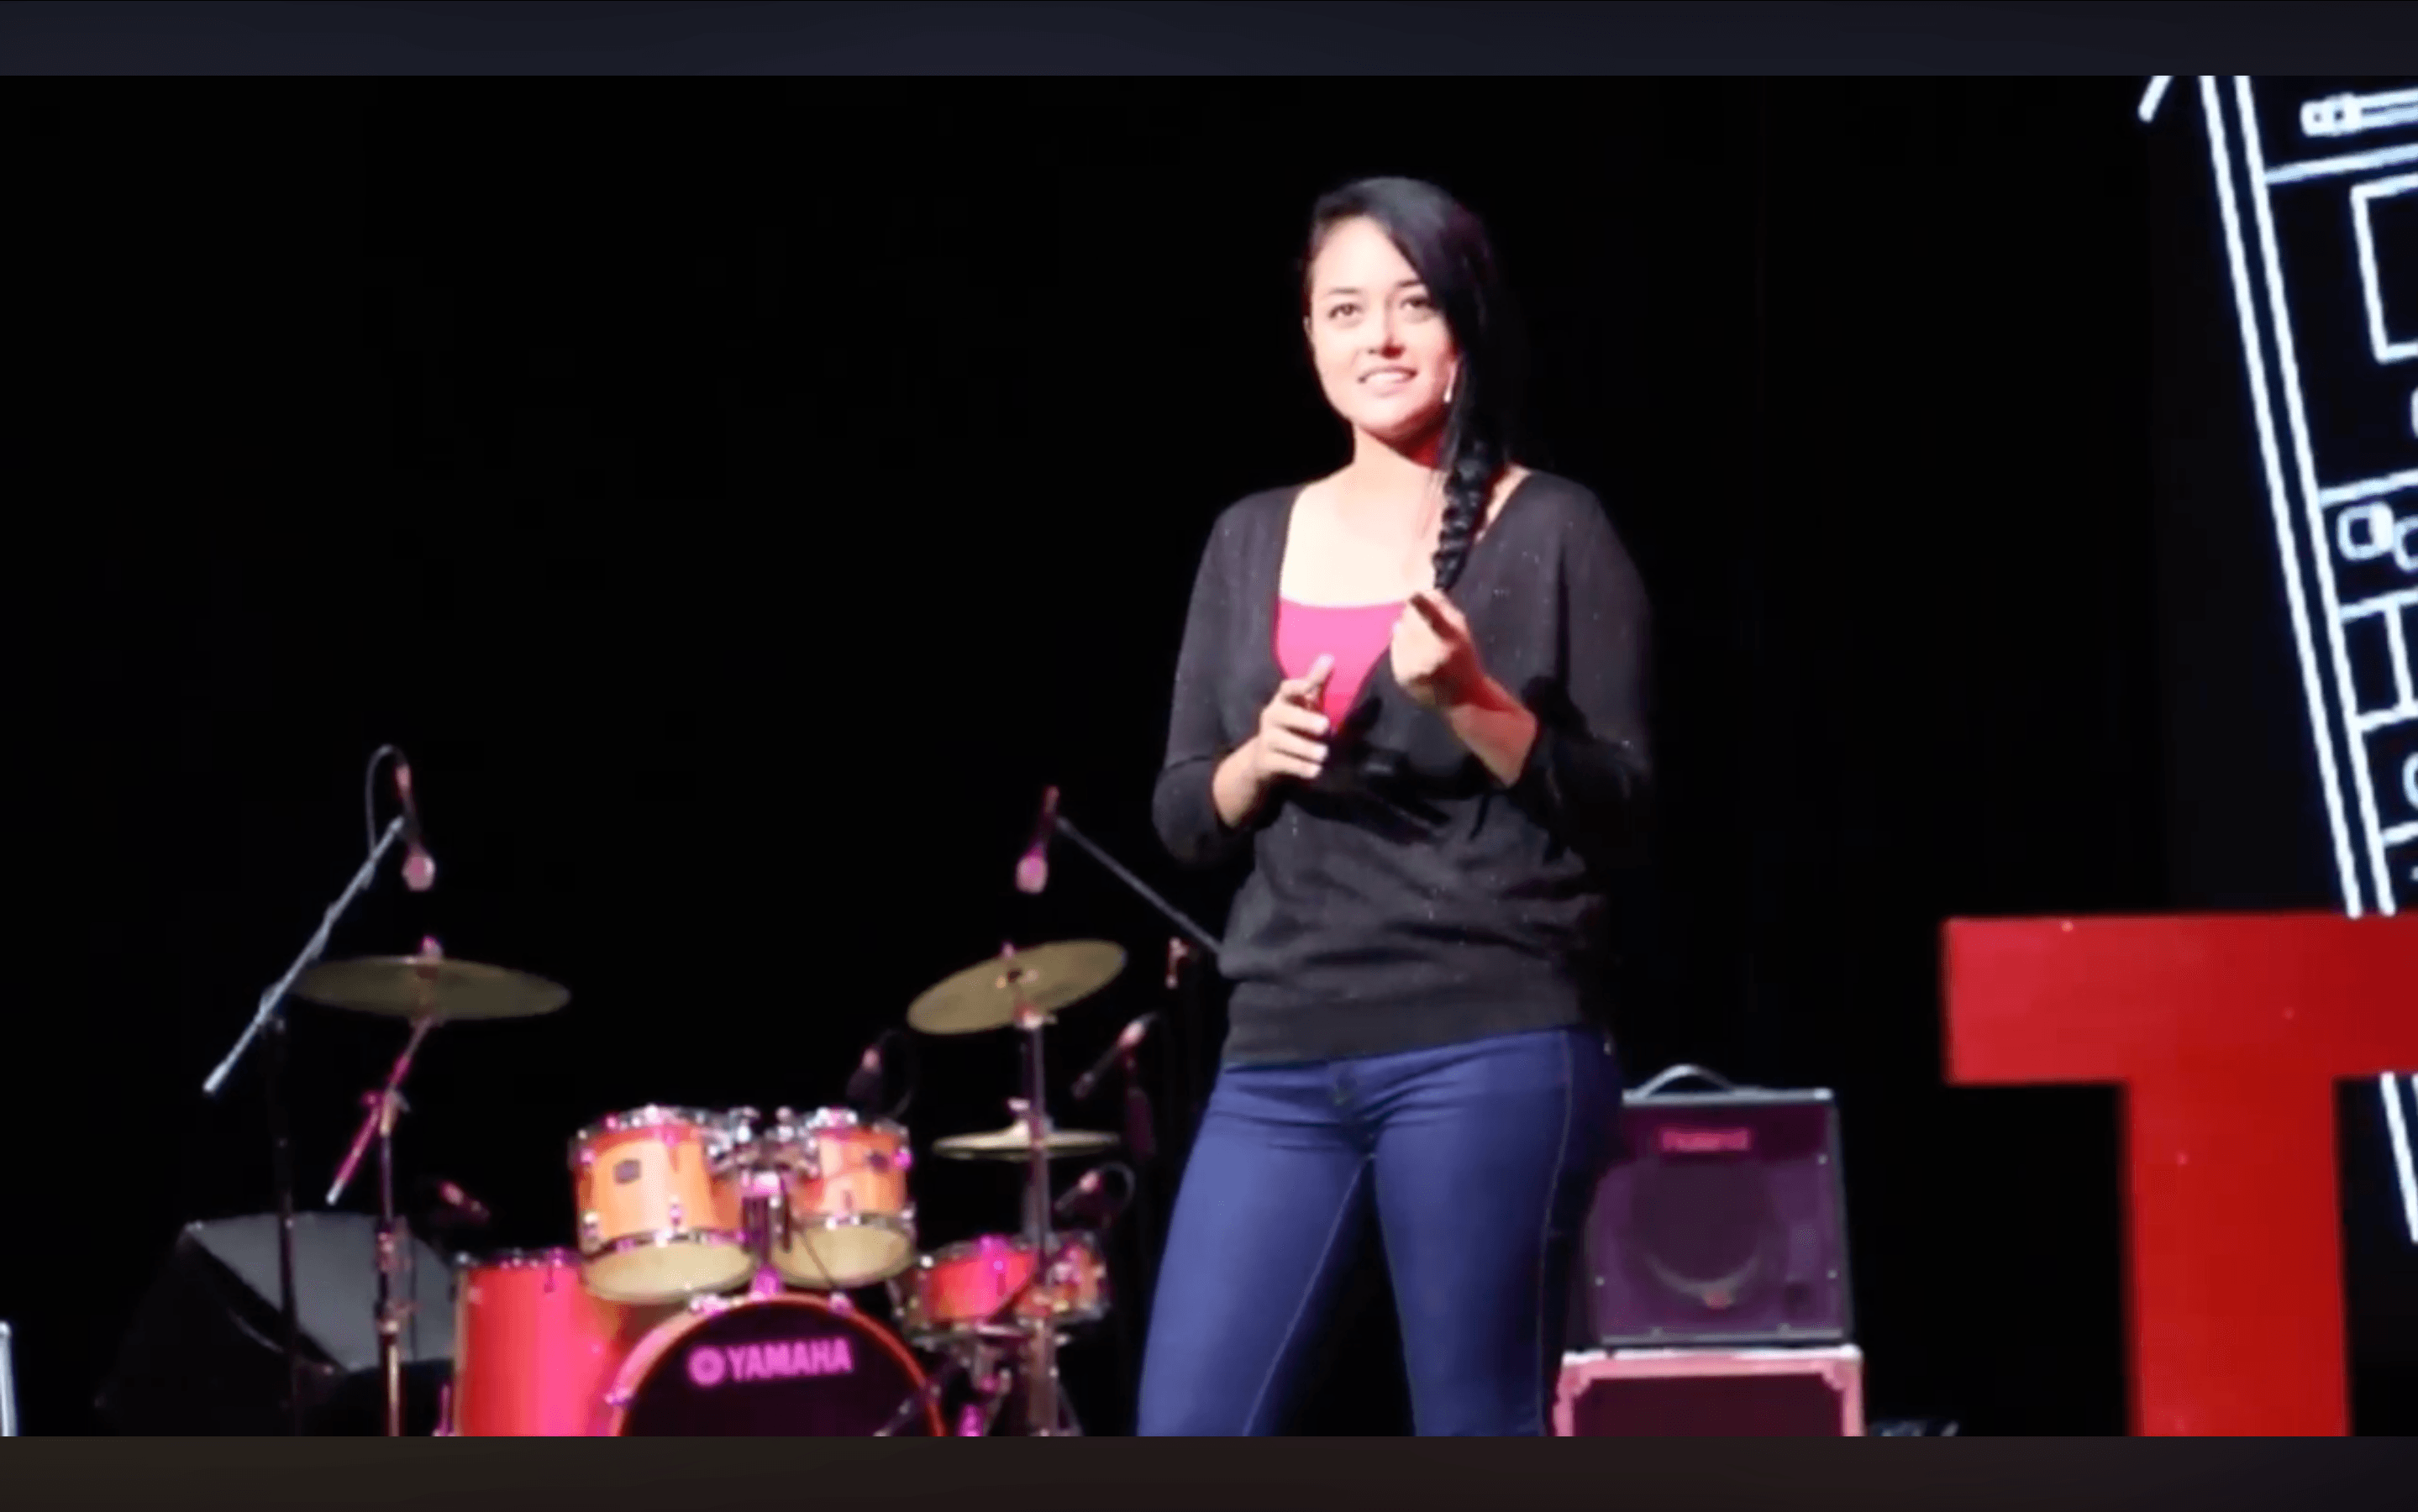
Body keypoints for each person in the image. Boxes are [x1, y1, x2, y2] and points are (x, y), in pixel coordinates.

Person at [1134, 176, 1654, 1437]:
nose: (1378, 339)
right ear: (1308, 337)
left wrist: (1473, 699)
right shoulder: (1250, 535)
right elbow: (1182, 814)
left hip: (1490, 1040)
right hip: (1280, 1054)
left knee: (1475, 1427)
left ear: (1463, 322)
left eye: (1411, 305)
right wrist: (1256, 759)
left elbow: (1626, 807)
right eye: (1343, 309)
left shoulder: (1553, 528)